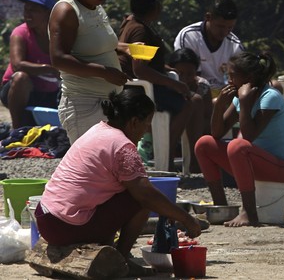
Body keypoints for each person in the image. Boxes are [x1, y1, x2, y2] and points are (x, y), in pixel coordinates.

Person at [35, 89, 201, 276]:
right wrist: (186, 219)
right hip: (64, 226)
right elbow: (146, 196)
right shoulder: (123, 146)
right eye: (147, 123)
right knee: (140, 201)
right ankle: (121, 261)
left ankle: (108, 249)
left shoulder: (98, 130)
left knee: (126, 193)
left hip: (45, 217)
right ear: (134, 122)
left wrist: (170, 211)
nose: (147, 130)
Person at [195, 52, 284, 227]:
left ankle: (249, 213)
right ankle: (221, 207)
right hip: (256, 163)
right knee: (204, 144)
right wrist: (220, 105)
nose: (229, 81)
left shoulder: (270, 97)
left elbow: (249, 136)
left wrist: (244, 102)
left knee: (238, 146)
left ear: (248, 78)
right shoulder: (239, 98)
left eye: (232, 76)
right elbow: (216, 134)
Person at [49, 0, 130, 143]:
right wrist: (104, 72)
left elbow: (97, 43)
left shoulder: (94, 6)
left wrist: (125, 48)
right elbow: (58, 58)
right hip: (83, 105)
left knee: (110, 166)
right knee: (91, 168)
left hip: (108, 100)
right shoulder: (67, 11)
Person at [117, 0, 196, 169]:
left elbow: (147, 61)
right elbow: (140, 69)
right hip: (140, 90)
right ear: (154, 6)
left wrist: (169, 70)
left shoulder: (131, 22)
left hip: (140, 86)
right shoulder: (140, 30)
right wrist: (175, 84)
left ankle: (169, 152)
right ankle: (166, 155)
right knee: (189, 102)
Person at [1, 0, 60, 128]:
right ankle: (16, 129)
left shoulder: (58, 35)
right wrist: (50, 69)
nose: (27, 13)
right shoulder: (20, 32)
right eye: (26, 9)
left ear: (48, 13)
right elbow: (17, 66)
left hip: (48, 94)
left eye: (33, 10)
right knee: (21, 77)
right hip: (18, 92)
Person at [174, 0, 244, 96]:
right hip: (195, 94)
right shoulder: (189, 36)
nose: (224, 32)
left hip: (224, 95)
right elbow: (187, 76)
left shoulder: (235, 44)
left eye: (230, 28)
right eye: (220, 26)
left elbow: (241, 78)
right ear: (208, 17)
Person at [168, 47, 213, 145]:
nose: (184, 79)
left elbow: (208, 118)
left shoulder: (202, 86)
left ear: (196, 71)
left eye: (190, 74)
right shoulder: (166, 86)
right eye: (180, 74)